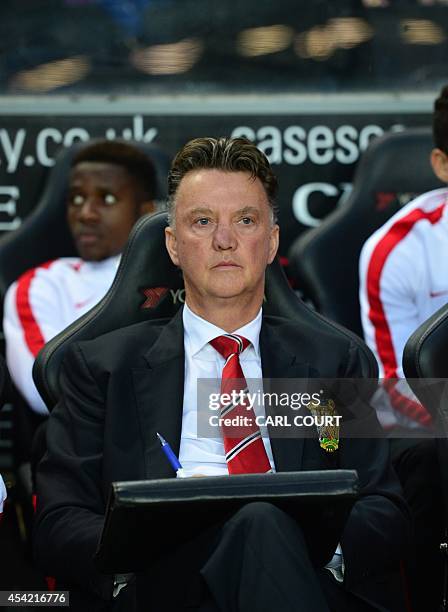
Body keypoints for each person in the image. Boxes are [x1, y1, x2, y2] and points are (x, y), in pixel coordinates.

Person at [34, 137, 410, 612]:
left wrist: (312, 541)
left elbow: (384, 508)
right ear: (173, 245)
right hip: (164, 585)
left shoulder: (334, 362)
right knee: (257, 523)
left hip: (303, 573)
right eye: (203, 221)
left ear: (271, 242)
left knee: (261, 524)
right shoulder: (100, 367)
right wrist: (142, 553)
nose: (225, 240)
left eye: (246, 221)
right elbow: (59, 520)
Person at [358, 86, 448, 611]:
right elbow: (395, 386)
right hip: (429, 418)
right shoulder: (398, 251)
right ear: (441, 163)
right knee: (417, 452)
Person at [3, 139, 157, 417]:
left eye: (107, 199)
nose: (85, 213)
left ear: (146, 212)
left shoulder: (186, 279)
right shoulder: (42, 285)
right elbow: (45, 389)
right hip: (86, 449)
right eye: (76, 198)